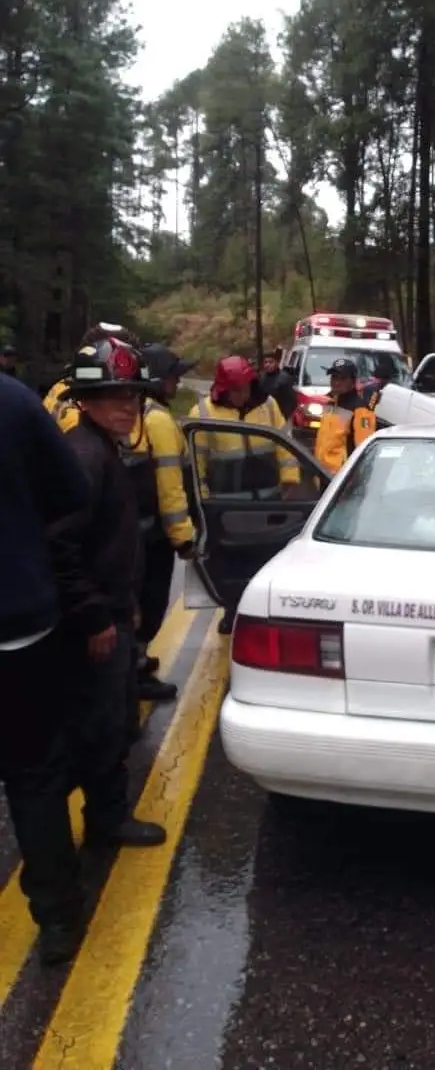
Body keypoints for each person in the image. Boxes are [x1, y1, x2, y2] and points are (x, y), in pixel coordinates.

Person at [49, 336, 167, 854]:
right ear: (85, 400)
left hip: (113, 612)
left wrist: (126, 604)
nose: (127, 406)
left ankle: (105, 816)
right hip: (94, 626)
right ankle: (98, 823)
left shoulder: (102, 450)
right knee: (99, 728)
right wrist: (96, 616)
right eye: (115, 395)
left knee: (116, 721)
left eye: (134, 395)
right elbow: (60, 547)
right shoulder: (84, 457)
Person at [0, 372, 91, 966]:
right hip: (19, 623)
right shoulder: (13, 401)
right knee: (33, 776)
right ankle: (57, 915)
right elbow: (72, 491)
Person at [189, 354, 302, 634]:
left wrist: (290, 478)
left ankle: (264, 613)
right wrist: (203, 499)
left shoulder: (267, 405)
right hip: (226, 505)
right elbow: (196, 462)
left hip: (267, 500)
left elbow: (284, 442)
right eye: (236, 389)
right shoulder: (202, 413)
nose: (242, 394)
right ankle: (231, 611)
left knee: (267, 559)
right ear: (223, 388)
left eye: (246, 387)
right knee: (230, 564)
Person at [125, 344, 199, 704]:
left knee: (133, 602)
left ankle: (134, 662)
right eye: (173, 373)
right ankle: (134, 674)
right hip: (152, 536)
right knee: (150, 602)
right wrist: (183, 537)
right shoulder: (158, 420)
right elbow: (171, 487)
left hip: (131, 532)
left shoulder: (137, 414)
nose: (178, 379)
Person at [315, 357, 378, 475]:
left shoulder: (361, 410)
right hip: (323, 474)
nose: (336, 382)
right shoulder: (331, 403)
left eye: (342, 378)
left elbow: (363, 450)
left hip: (342, 478)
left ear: (353, 381)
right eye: (334, 377)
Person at [259, 347, 297, 419]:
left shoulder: (285, 379)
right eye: (265, 362)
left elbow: (291, 402)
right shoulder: (261, 377)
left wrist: (283, 416)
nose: (267, 365)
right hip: (264, 416)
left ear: (277, 362)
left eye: (271, 362)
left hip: (280, 417)